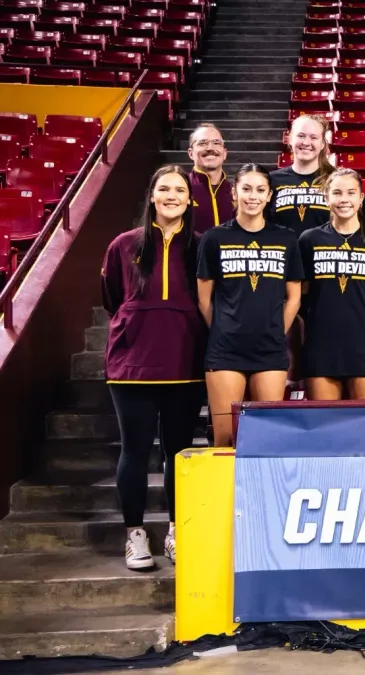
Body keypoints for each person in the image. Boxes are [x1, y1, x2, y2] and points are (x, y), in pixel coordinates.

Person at [101, 166, 206, 570]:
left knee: (178, 452)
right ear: (152, 196)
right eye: (164, 188)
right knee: (135, 450)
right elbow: (112, 296)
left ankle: (178, 529)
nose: (172, 195)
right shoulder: (123, 245)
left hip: (186, 361)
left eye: (180, 189)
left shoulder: (200, 246)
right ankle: (135, 535)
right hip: (132, 365)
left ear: (189, 199)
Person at [198, 164, 304, 447]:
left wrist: (276, 330)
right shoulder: (214, 238)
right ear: (235, 192)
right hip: (225, 350)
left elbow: (294, 296)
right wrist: (223, 328)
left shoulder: (285, 239)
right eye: (246, 189)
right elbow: (204, 298)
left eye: (260, 190)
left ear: (269, 195)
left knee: (266, 439)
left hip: (269, 350)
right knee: (225, 439)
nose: (252, 196)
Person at [297, 168, 365, 400]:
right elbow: (301, 292)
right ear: (326, 198)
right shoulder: (309, 240)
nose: (344, 199)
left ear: (361, 197)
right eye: (336, 193)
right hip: (321, 346)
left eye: (350, 192)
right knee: (324, 429)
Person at [268, 114, 333, 235]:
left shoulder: (335, 179)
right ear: (290, 139)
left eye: (313, 137)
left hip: (324, 252)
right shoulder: (271, 180)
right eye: (301, 136)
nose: (306, 142)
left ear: (323, 143)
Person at [185, 123, 233, 234]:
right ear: (191, 153)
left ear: (225, 153)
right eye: (202, 143)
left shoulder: (237, 192)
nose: (210, 148)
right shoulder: (180, 189)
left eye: (216, 143)